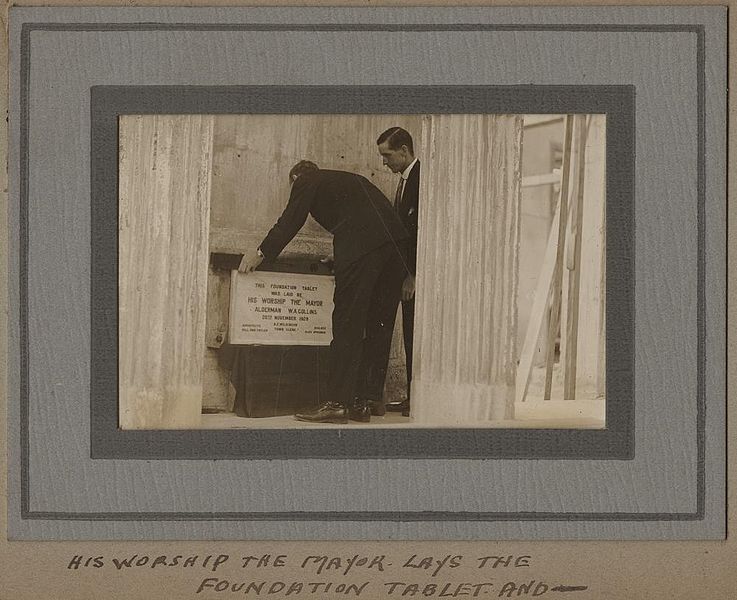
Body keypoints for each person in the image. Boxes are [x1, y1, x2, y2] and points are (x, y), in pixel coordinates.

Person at [239, 160, 409, 424]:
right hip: (396, 251)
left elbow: (291, 219)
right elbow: (365, 222)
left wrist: (261, 252)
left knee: (346, 324)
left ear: (297, 177)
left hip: (363, 248)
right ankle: (364, 402)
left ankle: (337, 403)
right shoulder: (348, 179)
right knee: (380, 326)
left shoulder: (306, 180)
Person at [376, 127, 420, 417]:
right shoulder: (405, 181)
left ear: (404, 151)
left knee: (414, 336)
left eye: (388, 156)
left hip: (414, 276)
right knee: (407, 336)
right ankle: (411, 397)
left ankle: (416, 398)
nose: (384, 163)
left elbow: (420, 233)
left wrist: (412, 275)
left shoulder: (420, 178)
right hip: (404, 274)